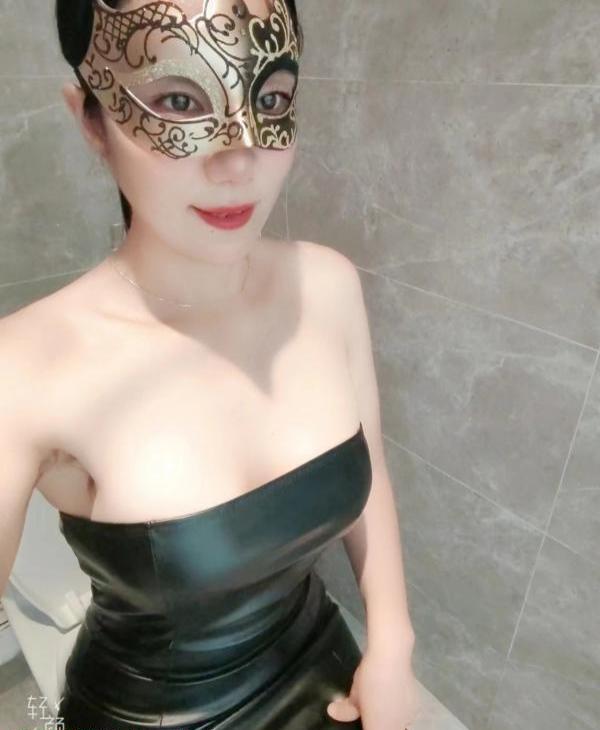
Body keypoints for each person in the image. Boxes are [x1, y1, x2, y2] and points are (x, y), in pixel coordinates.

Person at [0, 0, 420, 728]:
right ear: (91, 120)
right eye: (177, 101)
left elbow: (371, 469)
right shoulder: (26, 368)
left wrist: (392, 644)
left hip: (328, 672)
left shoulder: (326, 285)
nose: (238, 160)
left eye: (271, 100)